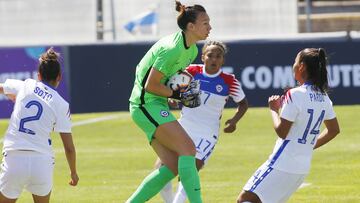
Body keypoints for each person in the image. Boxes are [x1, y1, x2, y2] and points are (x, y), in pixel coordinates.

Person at [127, 0, 211, 202]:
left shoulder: (191, 50)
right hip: (145, 105)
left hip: (154, 104)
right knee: (189, 149)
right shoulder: (173, 48)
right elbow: (150, 85)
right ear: (191, 27)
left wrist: (172, 92)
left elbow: (165, 79)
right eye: (205, 23)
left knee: (172, 165)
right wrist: (177, 95)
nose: (210, 27)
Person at [237, 48, 340, 203]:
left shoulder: (295, 94)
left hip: (282, 163)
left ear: (302, 66)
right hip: (302, 168)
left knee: (244, 199)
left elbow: (282, 132)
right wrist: (308, 145)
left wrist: (273, 109)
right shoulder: (324, 98)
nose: (293, 66)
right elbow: (334, 130)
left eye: (295, 62)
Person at [157, 41, 248, 203]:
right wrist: (171, 97)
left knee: (188, 174)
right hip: (182, 128)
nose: (214, 59)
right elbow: (172, 87)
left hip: (206, 134)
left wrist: (234, 121)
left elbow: (243, 103)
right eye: (210, 55)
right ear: (203, 57)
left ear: (223, 60)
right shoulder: (191, 71)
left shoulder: (229, 81)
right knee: (161, 170)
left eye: (218, 56)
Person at [0, 48, 79, 203]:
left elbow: (2, 87)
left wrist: (14, 97)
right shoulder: (62, 105)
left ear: (39, 75)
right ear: (59, 77)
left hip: (14, 157)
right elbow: (69, 148)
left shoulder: (26, 85)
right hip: (41, 162)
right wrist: (73, 172)